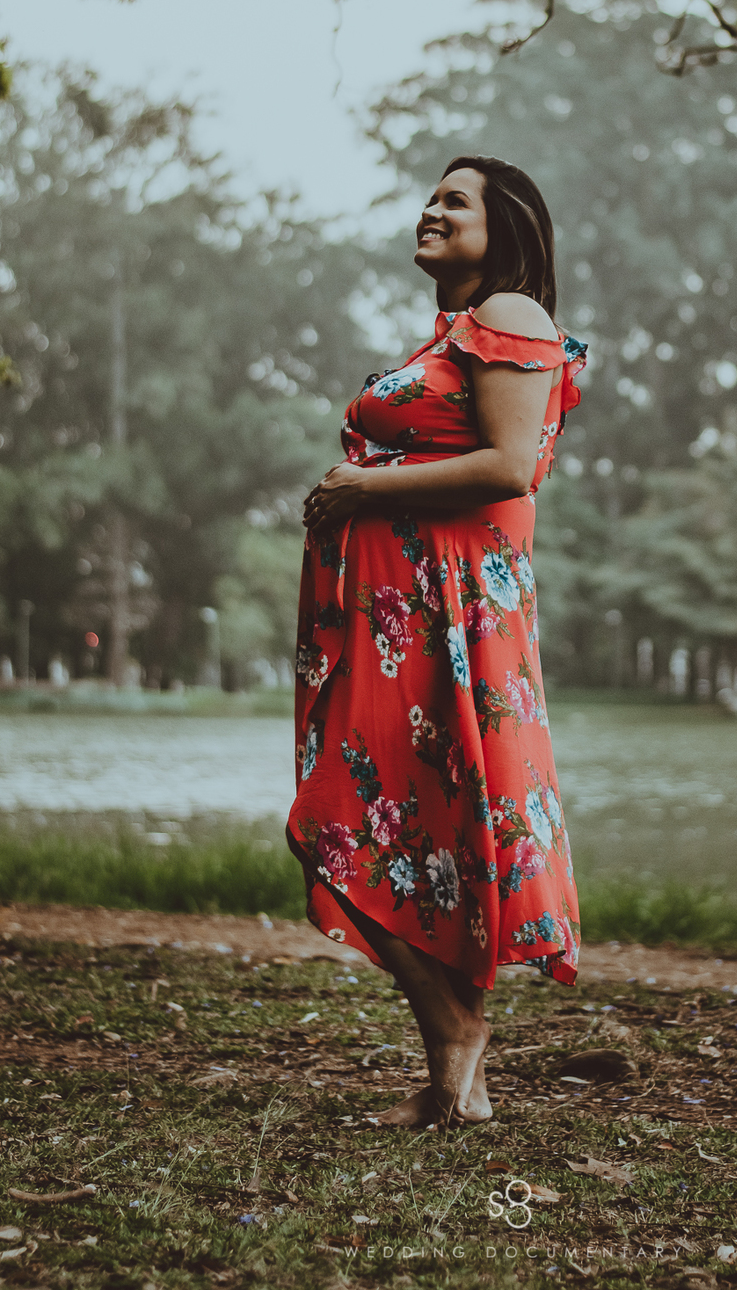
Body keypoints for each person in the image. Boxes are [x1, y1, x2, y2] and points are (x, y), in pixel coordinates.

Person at [287, 156, 586, 1127]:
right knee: (426, 829)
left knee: (332, 823)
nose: (432, 208)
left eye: (455, 201)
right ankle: (461, 1083)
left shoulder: (513, 318)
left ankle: (458, 1042)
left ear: (505, 227)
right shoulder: (456, 334)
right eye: (430, 196)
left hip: (449, 622)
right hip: (401, 623)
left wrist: (359, 488)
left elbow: (507, 469)